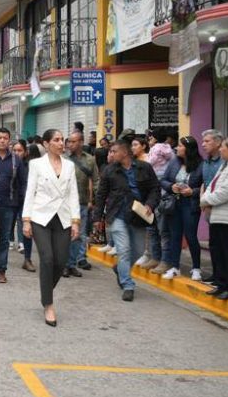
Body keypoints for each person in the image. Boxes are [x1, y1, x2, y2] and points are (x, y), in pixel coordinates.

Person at [21, 129, 80, 327]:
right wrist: (26, 220)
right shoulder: (36, 164)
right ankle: (48, 303)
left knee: (61, 261)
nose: (61, 143)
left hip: (62, 217)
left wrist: (75, 220)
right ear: (46, 144)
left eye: (62, 140)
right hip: (40, 216)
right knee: (47, 258)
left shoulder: (70, 166)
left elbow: (73, 194)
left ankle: (46, 290)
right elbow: (30, 192)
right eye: (56, 140)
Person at [92, 139, 160, 301]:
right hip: (117, 215)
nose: (111, 154)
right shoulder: (109, 171)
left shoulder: (145, 167)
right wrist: (97, 217)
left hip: (138, 215)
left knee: (136, 250)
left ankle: (120, 269)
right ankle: (127, 284)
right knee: (124, 250)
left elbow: (155, 188)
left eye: (114, 151)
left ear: (124, 152)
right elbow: (101, 195)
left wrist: (150, 204)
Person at [200, 136, 228, 299]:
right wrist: (205, 198)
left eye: (223, 147)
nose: (220, 149)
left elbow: (227, 191)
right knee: (218, 251)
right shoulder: (225, 165)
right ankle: (221, 283)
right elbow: (212, 186)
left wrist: (205, 200)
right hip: (217, 216)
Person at [155, 136, 204, 280]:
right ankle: (175, 266)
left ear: (188, 149)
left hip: (190, 205)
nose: (177, 148)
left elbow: (204, 186)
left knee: (190, 236)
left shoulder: (201, 165)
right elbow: (163, 180)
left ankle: (196, 268)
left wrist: (192, 192)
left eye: (181, 146)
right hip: (174, 203)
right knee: (174, 235)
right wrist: (171, 186)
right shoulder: (174, 162)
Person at [0, 127, 27, 283]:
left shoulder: (16, 160)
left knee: (4, 239)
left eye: (5, 138)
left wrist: (21, 203)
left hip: (9, 205)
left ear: (9, 140)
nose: (2, 140)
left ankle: (1, 270)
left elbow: (22, 183)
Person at [65, 130, 98, 276]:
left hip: (82, 203)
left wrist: (95, 200)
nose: (69, 144)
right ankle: (64, 264)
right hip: (64, 204)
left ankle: (72, 264)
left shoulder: (90, 160)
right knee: (65, 235)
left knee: (78, 235)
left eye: (73, 141)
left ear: (81, 142)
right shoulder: (63, 158)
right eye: (69, 141)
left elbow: (96, 180)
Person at [141, 136, 175, 270]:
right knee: (152, 229)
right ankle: (155, 258)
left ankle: (165, 260)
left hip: (161, 197)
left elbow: (148, 163)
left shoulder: (156, 150)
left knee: (162, 231)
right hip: (153, 196)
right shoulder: (170, 154)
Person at [199, 129, 225, 282]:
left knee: (223, 245)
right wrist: (203, 199)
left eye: (207, 141)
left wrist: (208, 201)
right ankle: (216, 274)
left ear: (217, 142)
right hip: (208, 205)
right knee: (213, 243)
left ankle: (223, 276)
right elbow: (205, 182)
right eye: (203, 141)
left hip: (220, 206)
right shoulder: (206, 161)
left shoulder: (224, 162)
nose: (204, 144)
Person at [10, 140, 34, 269]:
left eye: (20, 150)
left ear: (25, 152)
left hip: (25, 201)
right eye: (14, 150)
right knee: (8, 225)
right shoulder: (8, 163)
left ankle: (27, 258)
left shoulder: (31, 166)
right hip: (10, 200)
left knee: (25, 225)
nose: (17, 153)